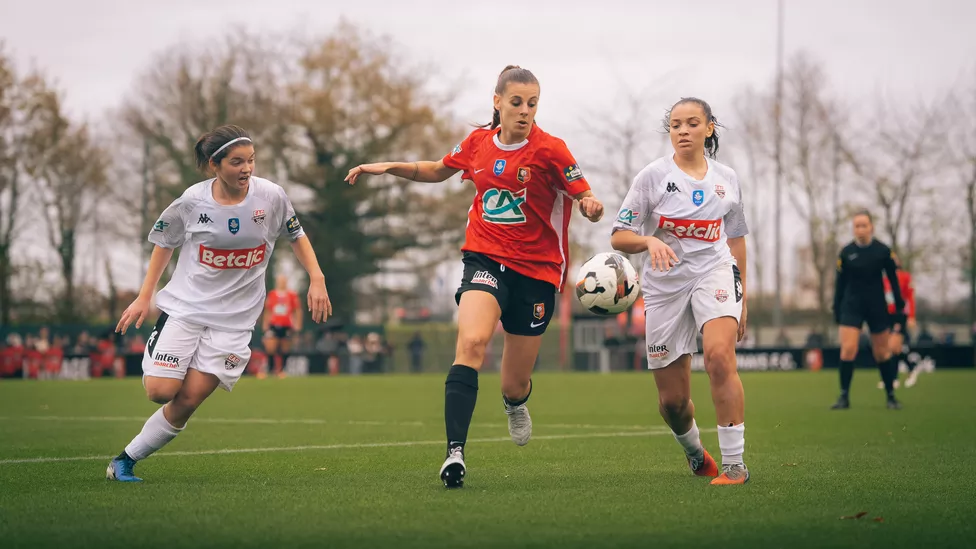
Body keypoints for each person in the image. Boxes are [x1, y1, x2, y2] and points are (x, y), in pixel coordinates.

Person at [345, 65, 604, 488]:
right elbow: (437, 169)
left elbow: (583, 192)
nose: (524, 111)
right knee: (472, 343)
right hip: (484, 258)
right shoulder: (478, 143)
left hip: (537, 271)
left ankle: (514, 402)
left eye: (532, 104)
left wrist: (591, 205)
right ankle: (454, 454)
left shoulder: (551, 150)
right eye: (516, 102)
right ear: (497, 101)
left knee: (514, 381)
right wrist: (387, 166)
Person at [107, 124, 332, 482]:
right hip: (187, 310)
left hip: (236, 321)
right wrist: (144, 295)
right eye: (237, 162)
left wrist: (317, 279)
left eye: (251, 160)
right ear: (215, 165)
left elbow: (296, 235)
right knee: (160, 391)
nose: (247, 169)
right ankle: (160, 342)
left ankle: (123, 461)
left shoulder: (271, 197)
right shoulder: (192, 201)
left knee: (187, 401)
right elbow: (164, 242)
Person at [610, 97, 751, 486]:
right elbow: (620, 236)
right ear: (669, 131)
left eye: (692, 123)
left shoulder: (727, 179)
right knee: (672, 403)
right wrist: (648, 243)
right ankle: (694, 452)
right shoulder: (652, 177)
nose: (683, 131)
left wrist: (743, 295)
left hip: (715, 272)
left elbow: (736, 240)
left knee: (720, 356)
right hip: (665, 287)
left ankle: (735, 465)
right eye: (675, 125)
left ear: (709, 128)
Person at [831, 210, 904, 410]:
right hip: (851, 306)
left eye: (864, 225)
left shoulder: (883, 251)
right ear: (853, 229)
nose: (860, 229)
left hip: (876, 306)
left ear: (871, 227)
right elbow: (840, 284)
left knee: (882, 352)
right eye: (857, 226)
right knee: (848, 349)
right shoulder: (846, 253)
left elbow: (893, 282)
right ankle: (844, 396)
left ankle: (890, 396)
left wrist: (899, 309)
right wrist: (837, 309)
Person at [879, 255, 919, 388]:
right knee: (893, 349)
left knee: (894, 346)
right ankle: (894, 378)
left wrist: (912, 316)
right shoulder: (883, 280)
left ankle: (911, 369)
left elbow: (910, 297)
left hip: (899, 314)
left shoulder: (905, 277)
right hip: (886, 315)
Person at [262, 274, 302, 378]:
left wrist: (297, 324)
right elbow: (268, 310)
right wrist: (265, 324)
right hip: (274, 324)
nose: (282, 283)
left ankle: (282, 370)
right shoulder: (272, 294)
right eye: (280, 281)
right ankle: (270, 369)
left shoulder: (292, 295)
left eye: (283, 281)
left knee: (285, 348)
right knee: (270, 347)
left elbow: (297, 310)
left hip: (287, 324)